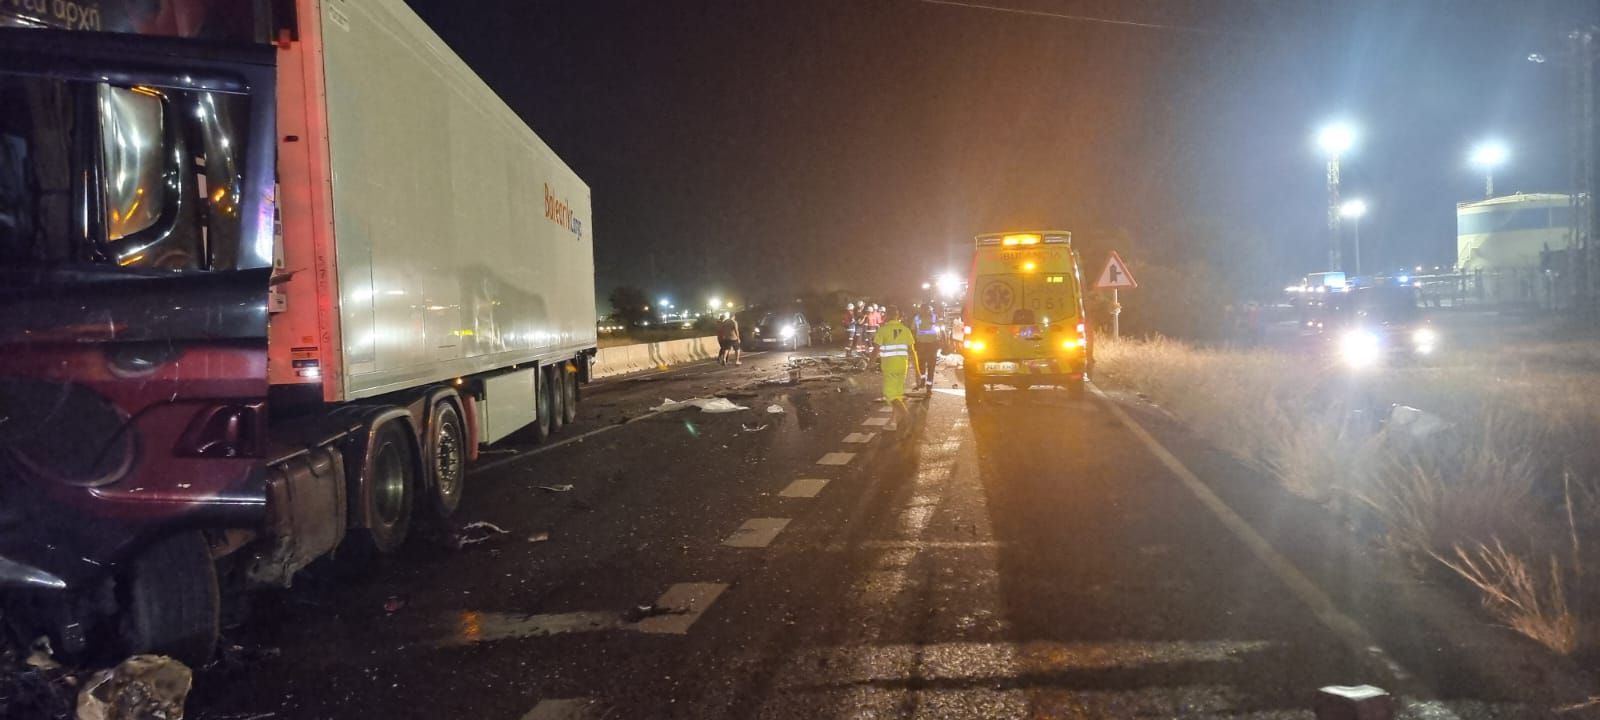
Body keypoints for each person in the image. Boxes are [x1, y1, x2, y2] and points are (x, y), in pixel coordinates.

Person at [875, 306, 918, 430]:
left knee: (890, 395)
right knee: (898, 394)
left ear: (887, 316)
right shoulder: (906, 330)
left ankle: (909, 418)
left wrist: (869, 364)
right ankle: (893, 422)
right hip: (902, 367)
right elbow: (912, 351)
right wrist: (917, 372)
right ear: (898, 316)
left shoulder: (882, 330)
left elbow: (876, 349)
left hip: (889, 367)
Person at [912, 304, 941, 391]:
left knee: (927, 365)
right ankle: (926, 383)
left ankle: (926, 384)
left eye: (926, 310)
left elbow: (913, 330)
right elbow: (913, 330)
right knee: (926, 365)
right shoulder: (919, 318)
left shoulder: (932, 317)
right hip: (926, 344)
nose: (925, 311)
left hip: (928, 344)